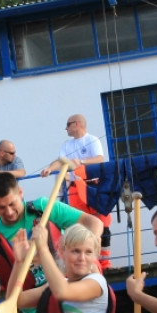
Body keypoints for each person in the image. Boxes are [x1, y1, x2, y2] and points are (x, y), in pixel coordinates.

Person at [0, 172, 103, 313]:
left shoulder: (44, 207)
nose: (8, 212)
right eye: (1, 207)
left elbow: (93, 223)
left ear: (20, 193)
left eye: (12, 204)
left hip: (70, 298)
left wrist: (85, 258)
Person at [6, 224, 114, 313]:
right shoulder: (57, 284)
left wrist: (43, 249)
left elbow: (62, 292)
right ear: (62, 252)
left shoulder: (97, 282)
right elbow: (14, 301)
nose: (82, 258)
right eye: (76, 251)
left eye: (88, 252)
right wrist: (19, 263)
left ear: (95, 256)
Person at [40, 114, 111, 269]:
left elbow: (100, 159)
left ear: (77, 124)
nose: (65, 128)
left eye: (68, 124)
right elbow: (60, 160)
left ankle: (104, 263)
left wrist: (82, 162)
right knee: (79, 225)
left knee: (102, 224)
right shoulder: (67, 145)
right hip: (74, 189)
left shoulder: (92, 140)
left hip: (94, 186)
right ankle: (87, 263)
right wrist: (49, 169)